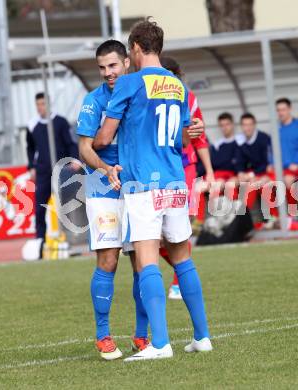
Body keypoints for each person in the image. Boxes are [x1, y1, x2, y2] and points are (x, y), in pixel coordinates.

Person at [92, 18, 212, 361]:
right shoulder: (177, 85)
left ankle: (159, 344)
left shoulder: (130, 84)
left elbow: (103, 138)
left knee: (146, 261)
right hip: (176, 180)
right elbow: (182, 136)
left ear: (135, 48)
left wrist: (98, 137)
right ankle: (201, 336)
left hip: (145, 183)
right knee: (182, 258)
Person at [77, 40, 149, 361]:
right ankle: (103, 335)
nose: (108, 73)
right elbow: (85, 147)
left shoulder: (141, 94)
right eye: (102, 68)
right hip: (103, 187)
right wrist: (106, 168)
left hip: (137, 185)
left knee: (142, 260)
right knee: (109, 259)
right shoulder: (93, 102)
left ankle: (141, 336)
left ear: (126, 62)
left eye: (113, 66)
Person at [159, 56, 213, 300]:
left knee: (183, 226)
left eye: (172, 74)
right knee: (159, 235)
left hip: (185, 167)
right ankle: (185, 269)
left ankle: (179, 282)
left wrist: (209, 170)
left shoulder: (189, 98)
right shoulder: (148, 99)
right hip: (159, 169)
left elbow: (199, 136)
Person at [26, 92, 79, 254]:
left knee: (66, 204)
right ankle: (40, 242)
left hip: (62, 170)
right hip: (42, 171)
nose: (40, 107)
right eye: (38, 104)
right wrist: (31, 167)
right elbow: (30, 147)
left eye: (43, 103)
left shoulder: (61, 122)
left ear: (49, 104)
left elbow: (70, 142)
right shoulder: (32, 125)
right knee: (40, 207)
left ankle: (70, 240)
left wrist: (75, 159)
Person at [276, 98, 298, 208]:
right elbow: (272, 150)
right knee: (265, 182)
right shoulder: (276, 129)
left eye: (283, 109)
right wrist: (271, 163)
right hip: (281, 168)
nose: (281, 113)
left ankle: (292, 214)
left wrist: (296, 163)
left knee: (288, 180)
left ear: (289, 109)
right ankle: (272, 218)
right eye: (278, 110)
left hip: (295, 167)